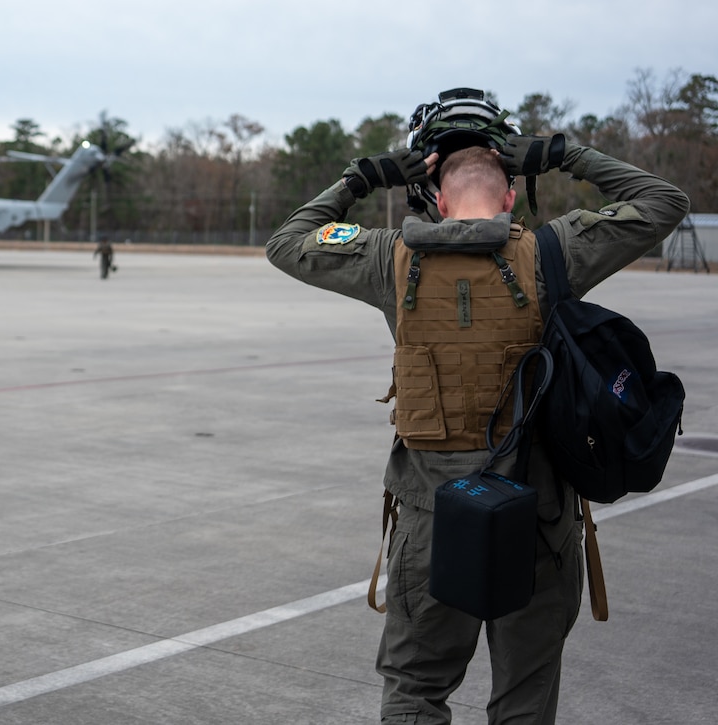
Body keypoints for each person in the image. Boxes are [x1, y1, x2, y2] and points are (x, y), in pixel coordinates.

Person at [265, 89, 689, 724]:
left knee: (416, 687)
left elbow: (287, 241)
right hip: (539, 516)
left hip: (434, 519)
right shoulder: (555, 252)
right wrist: (564, 155)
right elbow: (665, 202)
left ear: (435, 198)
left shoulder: (388, 257)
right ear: (512, 194)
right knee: (525, 695)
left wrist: (362, 177)